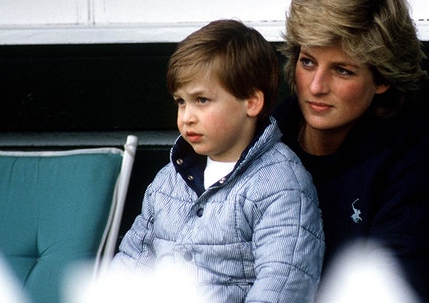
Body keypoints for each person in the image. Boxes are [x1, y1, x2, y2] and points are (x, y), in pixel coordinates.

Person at [111, 19, 325, 302]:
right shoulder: (168, 181)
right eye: (181, 102)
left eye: (202, 100)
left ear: (251, 102)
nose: (187, 116)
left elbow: (283, 283)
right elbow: (132, 263)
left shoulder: (281, 185)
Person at [273, 0, 429, 302]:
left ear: (382, 79)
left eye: (342, 70)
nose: (316, 86)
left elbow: (397, 285)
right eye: (308, 62)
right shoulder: (265, 137)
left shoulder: (414, 156)